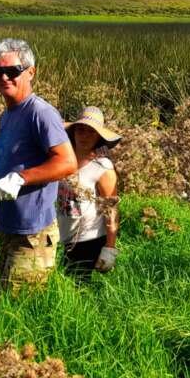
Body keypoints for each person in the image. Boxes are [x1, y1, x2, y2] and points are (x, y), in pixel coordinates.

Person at [0, 38, 77, 291]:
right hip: (10, 228)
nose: (4, 77)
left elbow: (67, 162)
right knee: (5, 301)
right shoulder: (7, 116)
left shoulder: (41, 113)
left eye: (12, 71)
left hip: (32, 234)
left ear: (30, 72)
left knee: (18, 309)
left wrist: (21, 179)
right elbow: (12, 166)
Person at [56, 106, 122, 277]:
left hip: (89, 239)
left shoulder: (103, 167)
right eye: (80, 130)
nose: (84, 136)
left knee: (77, 290)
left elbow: (110, 209)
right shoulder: (62, 160)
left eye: (91, 132)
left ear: (98, 137)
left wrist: (110, 247)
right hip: (62, 236)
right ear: (74, 132)